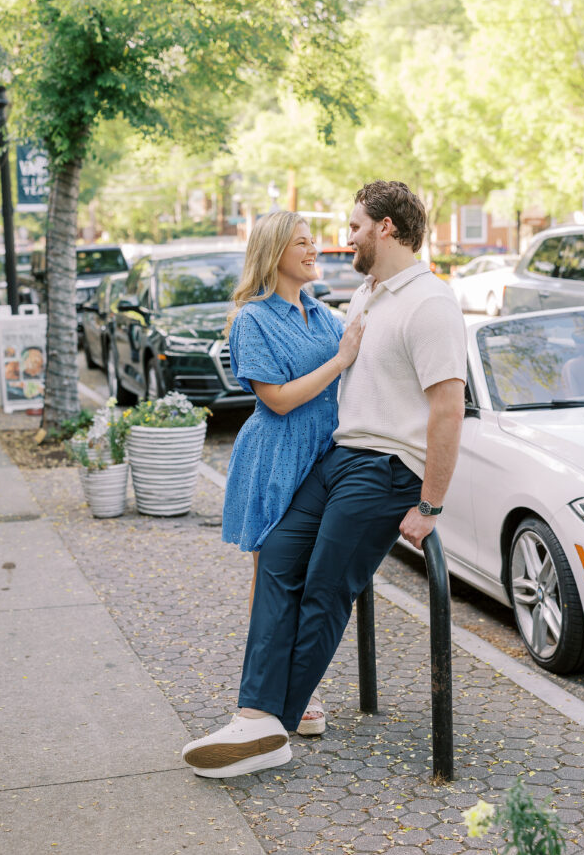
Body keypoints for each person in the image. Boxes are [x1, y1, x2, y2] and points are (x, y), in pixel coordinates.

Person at [182, 180, 466, 778]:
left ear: (387, 227)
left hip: (388, 466)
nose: (346, 238)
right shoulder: (362, 297)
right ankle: (256, 714)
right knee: (279, 560)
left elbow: (448, 410)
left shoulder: (430, 304)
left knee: (325, 587)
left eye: (356, 226)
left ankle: (271, 726)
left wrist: (431, 505)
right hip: (338, 457)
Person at [220, 210, 364, 734]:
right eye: (301, 243)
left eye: (313, 241)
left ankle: (294, 685)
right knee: (275, 577)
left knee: (314, 574)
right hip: (276, 456)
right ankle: (272, 694)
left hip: (325, 455)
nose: (314, 250)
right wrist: (340, 360)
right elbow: (277, 401)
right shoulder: (252, 320)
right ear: (274, 252)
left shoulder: (323, 314)